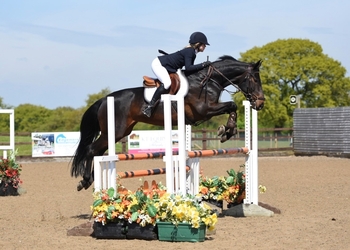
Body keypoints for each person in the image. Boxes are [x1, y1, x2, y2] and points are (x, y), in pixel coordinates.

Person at [142, 31, 211, 117]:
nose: (205, 46)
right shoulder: (190, 51)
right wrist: (203, 65)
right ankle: (149, 107)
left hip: (166, 66)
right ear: (198, 44)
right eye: (204, 44)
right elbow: (188, 68)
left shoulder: (192, 53)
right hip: (158, 64)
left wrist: (203, 67)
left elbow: (189, 70)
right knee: (167, 83)